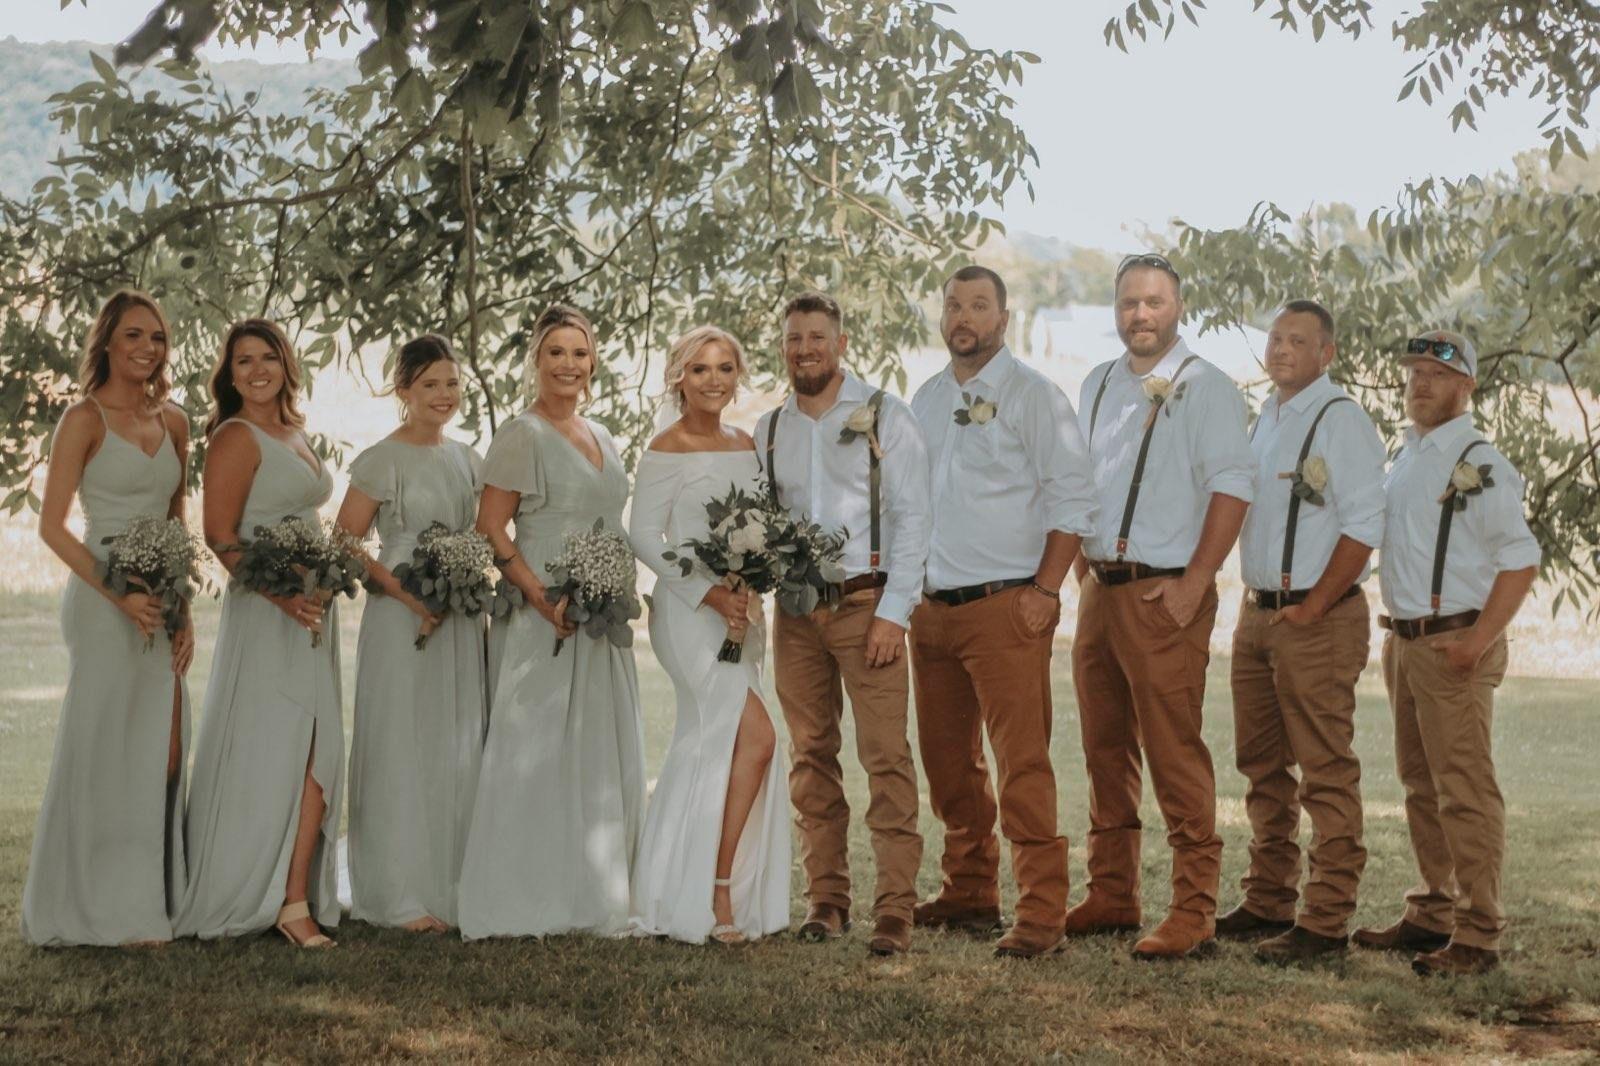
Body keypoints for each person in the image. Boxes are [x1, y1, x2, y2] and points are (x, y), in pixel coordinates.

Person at [1068, 253, 1255, 959]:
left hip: (1165, 590)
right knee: (1103, 747)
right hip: (1100, 591)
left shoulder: (1205, 387)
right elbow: (1082, 480)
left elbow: (1233, 486)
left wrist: (1194, 583)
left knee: (1173, 749)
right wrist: (1086, 570)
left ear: (1178, 307)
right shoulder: (1095, 383)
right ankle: (1113, 893)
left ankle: (1194, 909)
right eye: (1127, 303)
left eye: (1153, 302)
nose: (1139, 315)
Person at [909, 265, 1098, 959]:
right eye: (954, 304)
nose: (964, 315)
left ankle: (1043, 913)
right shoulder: (924, 401)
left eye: (979, 304)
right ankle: (968, 890)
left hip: (1006, 608)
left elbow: (1073, 500)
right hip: (930, 612)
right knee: (948, 763)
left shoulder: (1035, 398)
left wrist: (1045, 592)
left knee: (1022, 763)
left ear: (1004, 317)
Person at [1353, 329, 1540, 977]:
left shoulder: (1481, 461)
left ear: (1467, 385)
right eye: (1413, 372)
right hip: (1404, 641)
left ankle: (1480, 933)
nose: (1420, 383)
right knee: (1420, 785)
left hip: (1454, 641)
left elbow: (1520, 561)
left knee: (1464, 789)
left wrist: (1478, 640)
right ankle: (1433, 910)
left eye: (1436, 372)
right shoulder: (1407, 456)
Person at [456, 304, 645, 939]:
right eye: (556, 352)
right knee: (534, 748)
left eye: (580, 353)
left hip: (598, 613)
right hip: (544, 613)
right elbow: (489, 525)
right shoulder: (522, 434)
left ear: (593, 363)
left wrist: (612, 586)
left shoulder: (604, 434)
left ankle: (593, 887)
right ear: (535, 360)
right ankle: (523, 891)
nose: (569, 364)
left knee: (593, 743)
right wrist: (540, 596)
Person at [756, 291, 930, 956]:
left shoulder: (886, 415)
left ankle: (895, 909)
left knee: (886, 759)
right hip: (797, 615)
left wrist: (895, 612)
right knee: (810, 756)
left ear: (841, 343)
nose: (806, 349)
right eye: (795, 338)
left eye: (817, 337)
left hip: (868, 608)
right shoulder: (771, 429)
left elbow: (914, 517)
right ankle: (828, 899)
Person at [22, 290, 193, 947]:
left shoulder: (175, 421)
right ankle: (81, 904)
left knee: (158, 750)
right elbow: (51, 527)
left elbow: (176, 518)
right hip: (101, 600)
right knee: (101, 743)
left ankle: (140, 901)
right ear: (108, 344)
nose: (147, 348)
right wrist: (118, 594)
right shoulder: (83, 420)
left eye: (156, 337)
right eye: (133, 337)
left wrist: (180, 608)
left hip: (162, 594)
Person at [1220, 300, 1385, 963]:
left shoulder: (1340, 420)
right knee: (1262, 766)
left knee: (1325, 772)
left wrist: (1314, 607)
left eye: (1299, 340)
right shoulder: (1267, 419)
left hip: (1317, 619)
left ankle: (1324, 922)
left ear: (1328, 354)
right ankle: (1268, 899)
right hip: (1258, 615)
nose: (1283, 349)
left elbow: (1365, 523)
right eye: (1276, 337)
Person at [177, 319, 342, 948]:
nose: (256, 370)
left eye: (267, 356)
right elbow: (221, 536)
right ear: (230, 373)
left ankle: (293, 891)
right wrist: (284, 597)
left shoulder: (294, 432)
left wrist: (324, 579)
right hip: (269, 614)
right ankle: (280, 898)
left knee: (315, 748)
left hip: (311, 612)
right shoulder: (234, 437)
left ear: (285, 363)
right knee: (278, 749)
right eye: (242, 361)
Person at [628, 325, 789, 945]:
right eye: (700, 369)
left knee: (709, 742)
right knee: (758, 735)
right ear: (679, 378)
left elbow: (759, 525)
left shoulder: (746, 443)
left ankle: (682, 886)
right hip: (690, 614)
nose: (714, 380)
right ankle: (718, 891)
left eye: (725, 368)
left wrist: (750, 581)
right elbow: (645, 534)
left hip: (743, 613)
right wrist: (709, 591)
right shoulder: (666, 447)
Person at [337, 335, 487, 933]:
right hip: (401, 615)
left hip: (458, 616)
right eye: (430, 384)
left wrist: (461, 584)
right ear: (404, 391)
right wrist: (410, 596)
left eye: (452, 383)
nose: (443, 395)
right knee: (402, 739)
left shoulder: (469, 460)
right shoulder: (381, 459)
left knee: (452, 743)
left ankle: (448, 883)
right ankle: (396, 891)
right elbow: (346, 541)